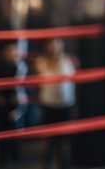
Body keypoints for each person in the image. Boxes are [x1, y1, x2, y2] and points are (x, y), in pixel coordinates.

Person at [34, 37, 79, 169]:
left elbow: (77, 85)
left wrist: (77, 104)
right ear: (47, 45)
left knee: (64, 144)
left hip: (66, 106)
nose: (55, 45)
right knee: (47, 142)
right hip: (47, 106)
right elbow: (36, 86)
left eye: (57, 42)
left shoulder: (71, 60)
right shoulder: (40, 62)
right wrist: (37, 107)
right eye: (51, 43)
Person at [0, 41, 29, 168]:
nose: (11, 54)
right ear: (4, 53)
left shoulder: (21, 67)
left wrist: (20, 97)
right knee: (2, 131)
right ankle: (4, 158)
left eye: (14, 51)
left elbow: (28, 85)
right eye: (9, 51)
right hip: (3, 103)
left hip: (17, 103)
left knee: (16, 131)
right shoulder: (0, 66)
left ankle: (16, 157)